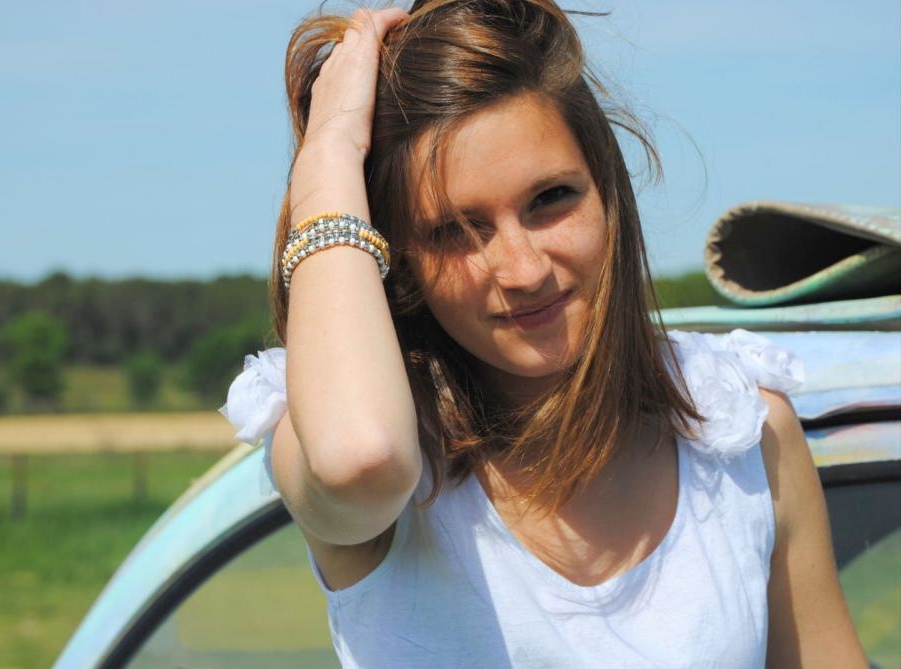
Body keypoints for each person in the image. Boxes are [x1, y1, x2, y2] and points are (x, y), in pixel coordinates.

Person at [222, 1, 865, 666]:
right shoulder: (358, 445)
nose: (524, 270)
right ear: (401, 259)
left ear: (607, 188)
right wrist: (327, 154)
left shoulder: (739, 430)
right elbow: (361, 459)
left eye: (551, 198)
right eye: (456, 231)